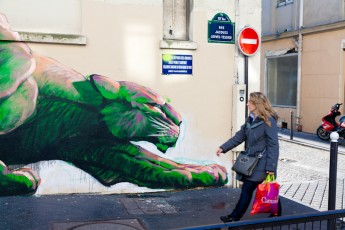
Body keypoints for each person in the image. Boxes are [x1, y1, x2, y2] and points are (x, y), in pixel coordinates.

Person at [216, 92, 282, 222]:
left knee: (247, 189)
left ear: (257, 104)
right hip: (253, 162)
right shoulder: (251, 119)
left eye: (249, 102)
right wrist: (223, 148)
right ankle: (277, 213)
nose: (247, 104)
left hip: (263, 163)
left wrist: (271, 167)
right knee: (268, 187)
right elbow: (240, 136)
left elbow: (273, 145)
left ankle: (235, 216)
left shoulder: (269, 120)